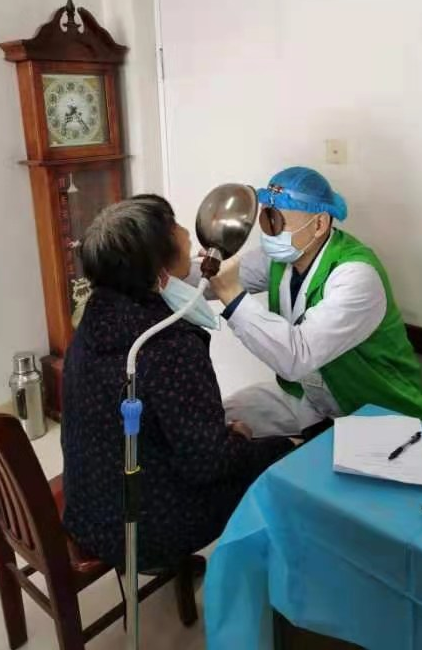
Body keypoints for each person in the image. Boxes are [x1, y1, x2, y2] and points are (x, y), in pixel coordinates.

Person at [61, 195, 294, 571]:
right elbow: (208, 463)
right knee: (281, 453)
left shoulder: (94, 316)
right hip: (143, 531)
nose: (187, 233)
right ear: (158, 267)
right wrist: (239, 438)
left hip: (89, 511)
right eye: (175, 227)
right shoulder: (167, 344)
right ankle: (259, 582)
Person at [206, 167, 422, 437]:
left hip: (376, 412)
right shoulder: (281, 257)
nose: (268, 233)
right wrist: (170, 268)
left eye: (276, 222)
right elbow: (215, 275)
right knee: (216, 420)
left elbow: (297, 358)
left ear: (319, 224)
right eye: (265, 219)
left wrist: (232, 296)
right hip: (312, 399)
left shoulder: (356, 275)